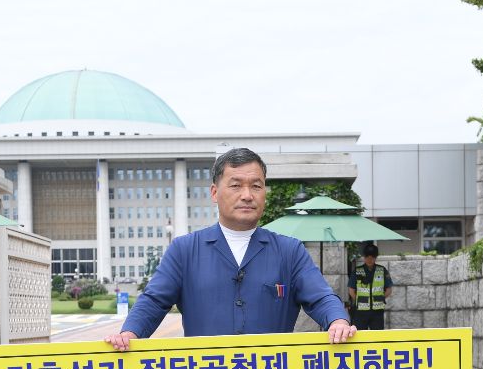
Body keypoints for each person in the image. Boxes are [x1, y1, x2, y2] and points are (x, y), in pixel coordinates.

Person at [105, 148, 356, 351]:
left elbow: (320, 296)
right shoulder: (184, 250)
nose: (247, 195)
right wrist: (130, 333)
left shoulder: (289, 251)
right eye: (236, 185)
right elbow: (154, 301)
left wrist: (338, 321)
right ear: (215, 193)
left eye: (256, 186)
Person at [347, 244, 394, 330]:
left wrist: (380, 298)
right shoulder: (357, 271)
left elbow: (389, 290)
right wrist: (359, 299)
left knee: (377, 335)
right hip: (361, 310)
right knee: (360, 335)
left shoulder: (382, 270)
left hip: (377, 310)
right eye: (367, 257)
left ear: (375, 258)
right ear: (364, 257)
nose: (369, 260)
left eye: (372, 257)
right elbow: (351, 290)